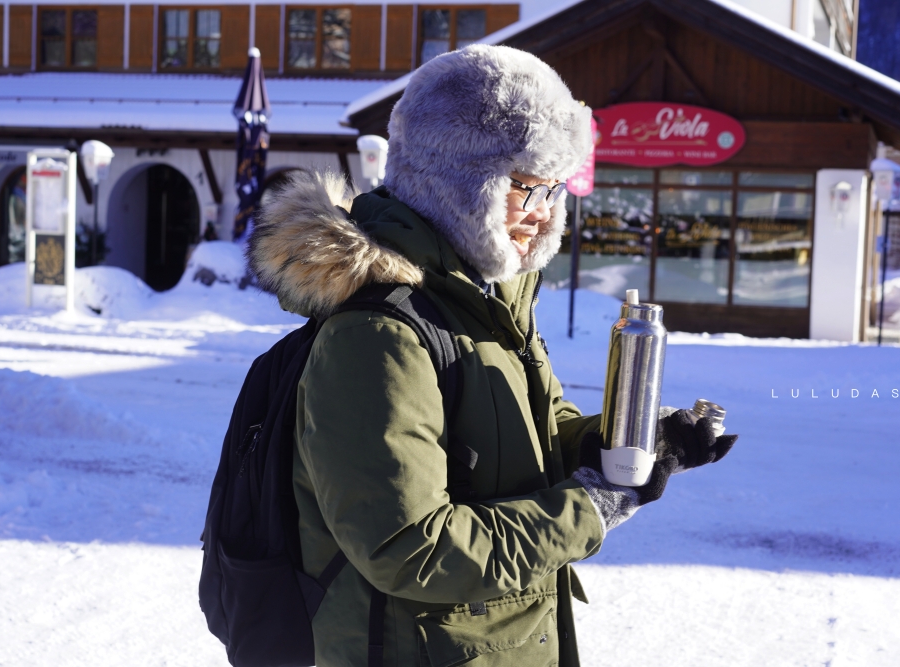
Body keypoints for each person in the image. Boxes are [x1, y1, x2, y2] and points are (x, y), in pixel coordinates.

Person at [248, 44, 737, 667]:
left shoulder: (490, 297)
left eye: (556, 187)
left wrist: (634, 438)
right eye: (528, 188)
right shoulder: (377, 335)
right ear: (457, 181)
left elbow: (537, 436)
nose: (546, 214)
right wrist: (589, 507)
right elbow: (411, 549)